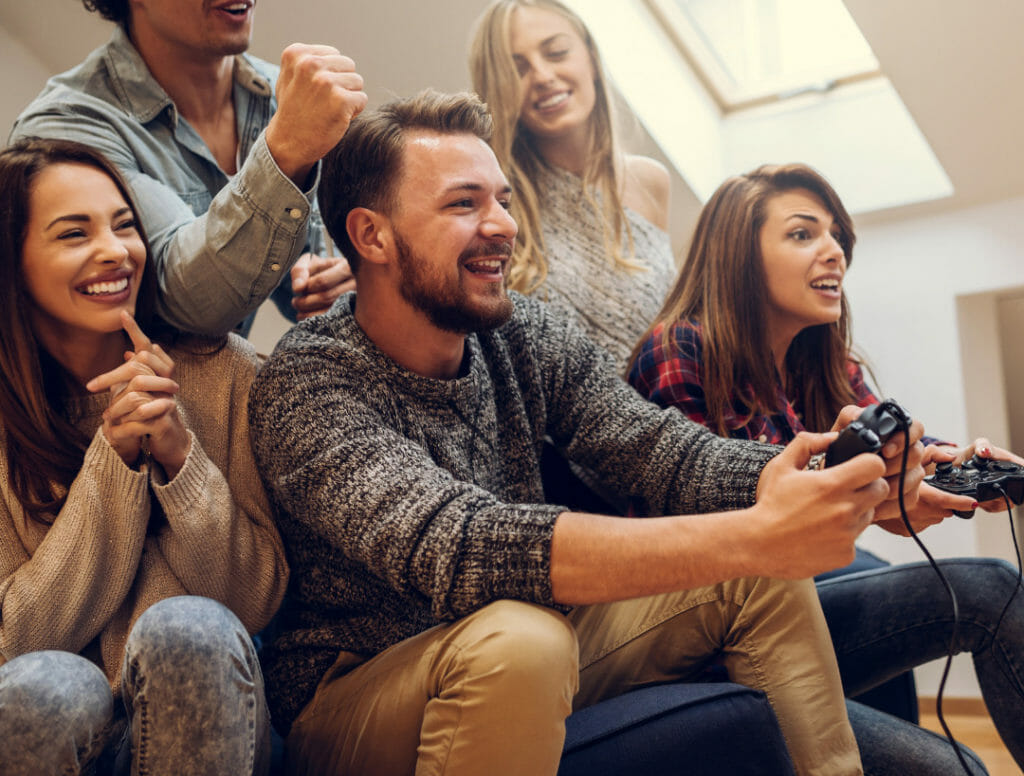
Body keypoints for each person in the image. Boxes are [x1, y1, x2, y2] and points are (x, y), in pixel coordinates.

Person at [248, 90, 936, 776]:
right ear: (372, 236)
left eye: (504, 200)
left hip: (522, 638)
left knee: (748, 574)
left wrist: (819, 479)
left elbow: (658, 450)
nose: (502, 226)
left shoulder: (522, 331)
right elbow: (463, 547)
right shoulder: (310, 379)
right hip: (353, 695)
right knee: (524, 639)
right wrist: (754, 531)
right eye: (465, 204)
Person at [628, 162, 1024, 769]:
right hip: (724, 635)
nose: (833, 251)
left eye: (837, 235)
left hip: (804, 603)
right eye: (803, 234)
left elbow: (905, 450)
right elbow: (717, 534)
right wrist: (858, 496)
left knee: (990, 589)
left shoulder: (827, 365)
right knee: (960, 760)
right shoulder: (680, 350)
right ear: (738, 254)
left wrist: (956, 464)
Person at [0, 138, 288, 775]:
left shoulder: (223, 373)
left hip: (220, 731)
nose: (115, 250)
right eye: (75, 233)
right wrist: (115, 459)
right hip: (57, 740)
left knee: (187, 629)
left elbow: (256, 600)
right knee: (44, 686)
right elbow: (11, 645)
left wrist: (181, 457)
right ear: (11, 263)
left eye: (124, 225)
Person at [10, 0, 367, 338]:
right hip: (103, 404)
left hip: (207, 400)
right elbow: (186, 301)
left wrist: (335, 283)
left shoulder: (282, 97)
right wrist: (286, 150)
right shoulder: (67, 127)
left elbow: (296, 285)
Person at [468, 0, 675, 373]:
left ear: (591, 59)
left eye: (557, 52)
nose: (544, 76)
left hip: (665, 420)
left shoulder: (651, 180)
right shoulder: (491, 206)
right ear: (499, 89)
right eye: (518, 68)